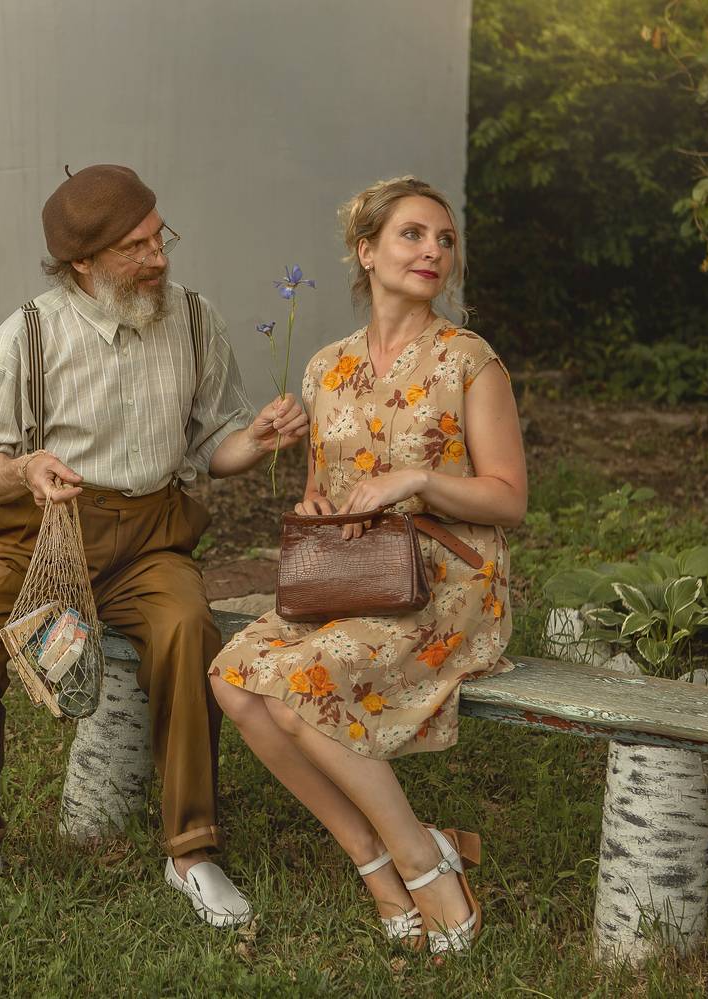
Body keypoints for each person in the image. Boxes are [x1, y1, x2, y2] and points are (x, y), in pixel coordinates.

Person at [0, 164, 309, 925]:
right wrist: (26, 468)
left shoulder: (193, 319)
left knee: (188, 631)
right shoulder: (26, 336)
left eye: (160, 237)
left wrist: (258, 438)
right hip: (38, 537)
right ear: (82, 263)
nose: (159, 257)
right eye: (136, 248)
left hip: (150, 537)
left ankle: (191, 853)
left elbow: (215, 445)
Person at [207, 176, 527, 953]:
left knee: (302, 687)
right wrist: (317, 505)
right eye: (412, 234)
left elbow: (510, 498)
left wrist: (419, 481)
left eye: (444, 239)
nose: (432, 251)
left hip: (446, 586)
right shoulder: (326, 367)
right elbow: (324, 488)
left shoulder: (468, 360)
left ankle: (423, 863)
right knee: (233, 677)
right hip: (352, 579)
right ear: (367, 251)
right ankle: (375, 859)